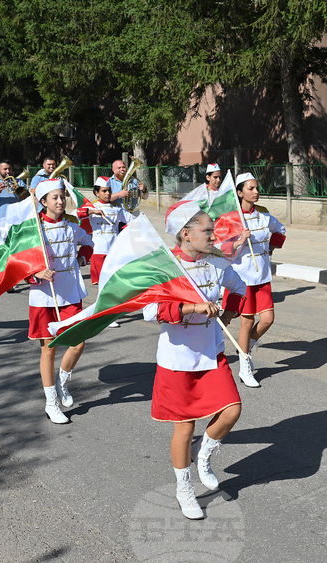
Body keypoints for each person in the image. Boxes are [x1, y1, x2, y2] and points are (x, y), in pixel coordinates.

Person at [144, 201, 247, 520]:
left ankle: (204, 454)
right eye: (207, 230)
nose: (214, 235)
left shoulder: (216, 262)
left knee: (232, 410)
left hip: (211, 352)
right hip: (177, 358)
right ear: (186, 234)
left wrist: (229, 314)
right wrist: (192, 308)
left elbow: (239, 287)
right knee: (185, 427)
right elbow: (149, 311)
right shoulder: (166, 266)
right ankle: (184, 488)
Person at [27, 179, 93, 424]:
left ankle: (62, 381)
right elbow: (20, 260)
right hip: (44, 296)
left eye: (62, 196)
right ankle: (51, 402)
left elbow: (88, 243)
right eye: (54, 197)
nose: (60, 201)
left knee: (78, 343)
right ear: (43, 202)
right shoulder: (34, 228)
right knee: (49, 349)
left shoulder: (72, 225)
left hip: (70, 293)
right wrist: (36, 273)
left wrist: (82, 259)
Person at [214, 173, 286, 388]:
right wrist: (239, 241)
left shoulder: (264, 216)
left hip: (262, 277)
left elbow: (280, 230)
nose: (256, 192)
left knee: (268, 319)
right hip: (242, 278)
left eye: (257, 188)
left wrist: (270, 248)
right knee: (246, 322)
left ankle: (246, 346)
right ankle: (244, 366)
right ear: (239, 192)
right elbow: (219, 248)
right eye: (251, 188)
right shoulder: (230, 219)